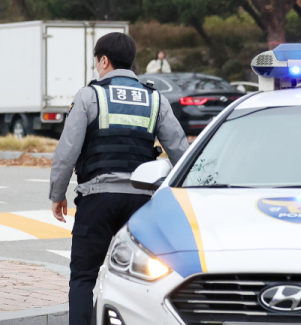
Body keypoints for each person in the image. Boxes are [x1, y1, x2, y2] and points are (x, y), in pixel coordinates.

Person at [49, 33, 189, 325]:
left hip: (97, 199)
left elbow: (67, 152)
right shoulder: (155, 99)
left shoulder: (89, 96)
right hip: (142, 203)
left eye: (97, 62)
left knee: (83, 277)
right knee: (143, 277)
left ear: (103, 61)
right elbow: (181, 152)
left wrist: (57, 194)